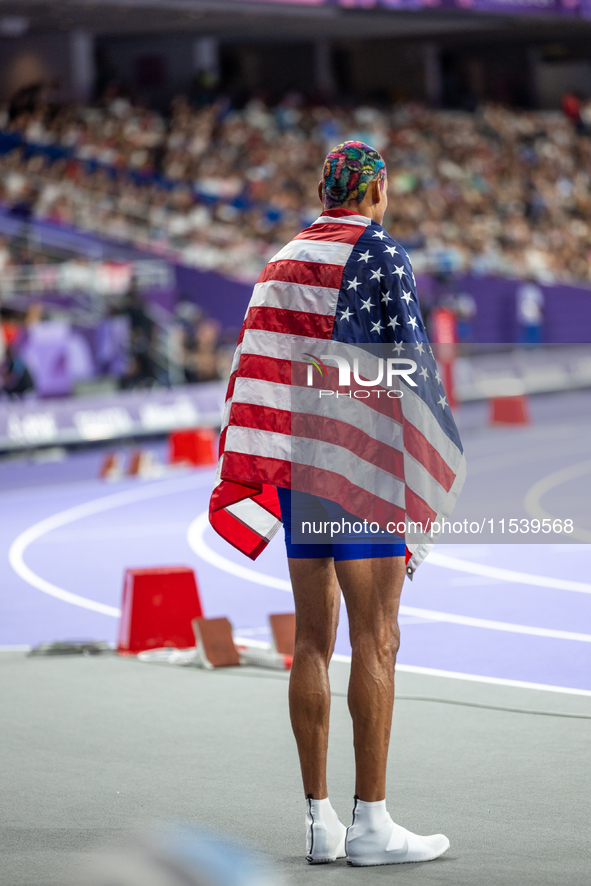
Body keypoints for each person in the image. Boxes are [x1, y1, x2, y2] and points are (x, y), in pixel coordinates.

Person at [209, 142, 464, 867]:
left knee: (311, 643)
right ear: (375, 189)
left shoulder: (280, 258)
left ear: (325, 190)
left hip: (298, 474)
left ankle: (318, 822)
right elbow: (408, 373)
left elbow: (252, 373)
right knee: (376, 638)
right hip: (359, 472)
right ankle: (372, 825)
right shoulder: (379, 253)